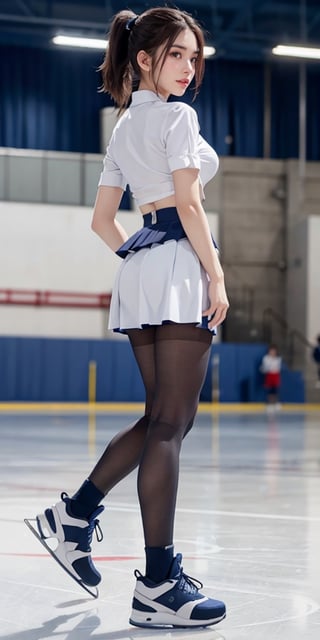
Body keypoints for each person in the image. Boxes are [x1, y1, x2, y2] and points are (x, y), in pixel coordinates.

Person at [30, 6, 229, 629]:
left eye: (193, 57)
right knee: (172, 425)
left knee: (160, 418)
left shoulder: (123, 127)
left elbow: (100, 222)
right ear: (144, 58)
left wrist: (142, 258)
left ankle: (75, 514)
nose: (188, 68)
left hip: (142, 268)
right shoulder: (178, 117)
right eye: (176, 55)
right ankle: (159, 582)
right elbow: (191, 205)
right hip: (178, 267)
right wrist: (214, 274)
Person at [260, 344, 282, 411]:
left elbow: (278, 367)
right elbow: (265, 367)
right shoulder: (266, 358)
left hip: (275, 374)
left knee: (275, 389)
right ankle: (269, 404)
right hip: (269, 374)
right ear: (269, 351)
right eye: (271, 351)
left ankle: (276, 403)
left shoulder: (278, 358)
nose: (272, 352)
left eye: (274, 351)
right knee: (269, 390)